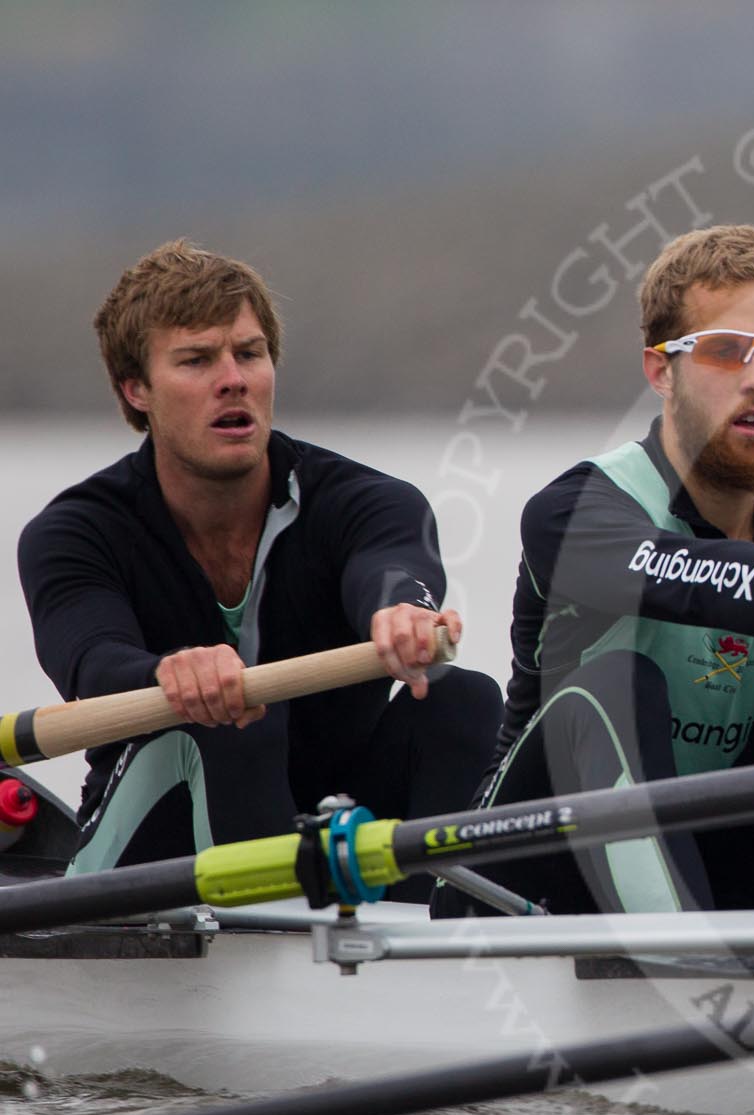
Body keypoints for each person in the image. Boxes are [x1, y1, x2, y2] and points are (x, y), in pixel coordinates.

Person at [19, 239, 501, 896]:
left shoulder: (368, 501)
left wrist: (402, 614)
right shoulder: (74, 532)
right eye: (196, 360)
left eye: (249, 354)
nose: (234, 379)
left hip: (326, 827)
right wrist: (168, 675)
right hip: (156, 853)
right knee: (234, 712)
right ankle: (278, 950)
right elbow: (92, 661)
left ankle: (432, 937)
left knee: (462, 697)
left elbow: (390, 572)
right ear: (137, 390)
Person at [463, 224, 754, 915]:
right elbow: (685, 576)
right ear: (660, 370)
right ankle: (695, 970)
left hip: (712, 851)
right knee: (620, 683)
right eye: (722, 352)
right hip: (531, 868)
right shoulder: (574, 511)